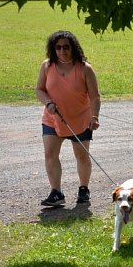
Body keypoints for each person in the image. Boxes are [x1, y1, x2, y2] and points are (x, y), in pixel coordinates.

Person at [35, 30, 101, 207]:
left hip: (80, 118)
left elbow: (95, 97)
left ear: (73, 48)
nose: (62, 51)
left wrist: (94, 117)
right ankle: (56, 193)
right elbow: (39, 89)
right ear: (53, 49)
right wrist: (48, 103)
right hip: (53, 118)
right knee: (50, 154)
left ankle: (83, 189)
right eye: (58, 47)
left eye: (66, 47)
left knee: (81, 155)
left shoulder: (85, 68)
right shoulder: (47, 66)